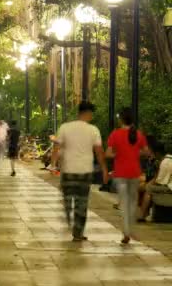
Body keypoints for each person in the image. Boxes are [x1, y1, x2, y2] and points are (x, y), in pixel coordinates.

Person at [49, 102, 109, 242]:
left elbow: (56, 148)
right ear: (88, 113)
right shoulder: (93, 130)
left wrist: (53, 165)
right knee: (82, 202)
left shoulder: (65, 127)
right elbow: (99, 152)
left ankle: (68, 209)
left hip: (68, 170)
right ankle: (78, 232)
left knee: (68, 195)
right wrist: (105, 169)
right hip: (85, 171)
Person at [106, 107, 149, 244]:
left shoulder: (115, 134)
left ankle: (126, 231)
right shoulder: (139, 134)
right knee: (132, 203)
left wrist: (118, 154)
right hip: (135, 173)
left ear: (121, 119)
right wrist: (136, 153)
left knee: (124, 203)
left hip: (120, 173)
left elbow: (108, 154)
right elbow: (146, 152)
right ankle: (129, 229)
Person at [138, 141, 166, 221]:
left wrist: (148, 184)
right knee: (139, 186)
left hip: (166, 185)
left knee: (148, 189)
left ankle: (142, 214)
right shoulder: (158, 160)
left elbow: (158, 178)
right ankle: (142, 212)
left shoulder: (163, 162)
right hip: (159, 181)